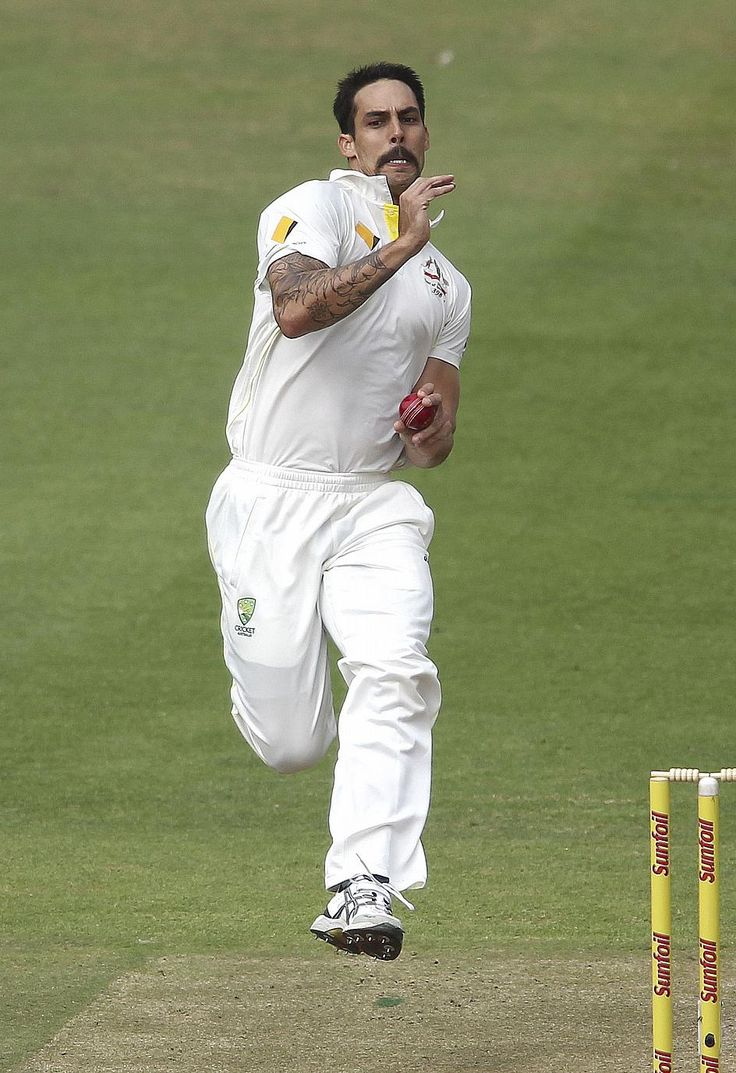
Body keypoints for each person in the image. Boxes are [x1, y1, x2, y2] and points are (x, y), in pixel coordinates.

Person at [205, 61, 471, 961]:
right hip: (270, 494)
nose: (395, 133)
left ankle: (364, 882)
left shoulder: (449, 288)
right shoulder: (311, 206)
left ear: (426, 133)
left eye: (410, 118)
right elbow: (294, 309)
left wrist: (426, 427)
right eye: (376, 121)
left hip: (372, 506)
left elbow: (435, 436)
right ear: (348, 141)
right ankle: (261, 659)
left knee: (396, 668)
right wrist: (398, 244)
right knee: (292, 744)